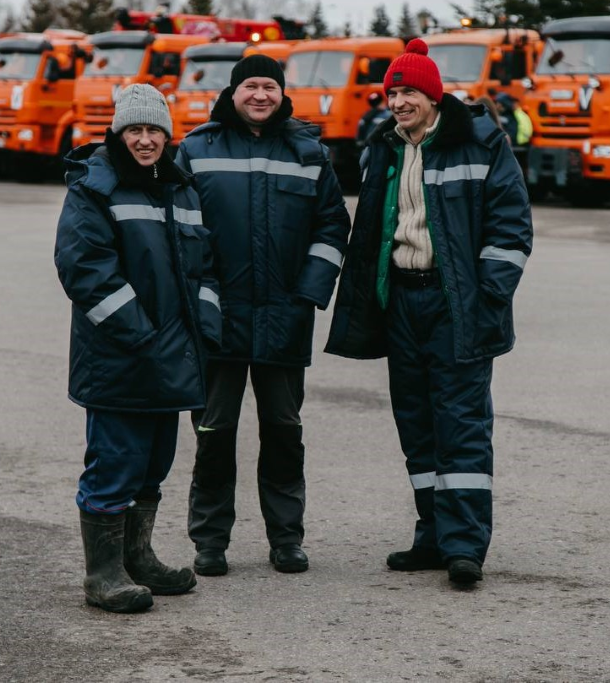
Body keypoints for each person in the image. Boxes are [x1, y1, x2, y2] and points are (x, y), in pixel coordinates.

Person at [325, 39, 533, 587]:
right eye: (392, 92)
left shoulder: (481, 143)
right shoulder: (385, 148)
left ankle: (465, 546)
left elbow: (511, 227)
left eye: (409, 91)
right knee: (416, 424)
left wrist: (488, 293)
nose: (398, 101)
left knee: (460, 423)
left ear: (434, 96)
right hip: (403, 301)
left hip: (455, 304)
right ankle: (433, 537)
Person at [175, 55, 350, 577]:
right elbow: (181, 231)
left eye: (269, 86)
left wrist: (307, 296)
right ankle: (209, 541)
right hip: (216, 322)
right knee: (213, 432)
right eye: (250, 85)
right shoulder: (195, 150)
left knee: (283, 432)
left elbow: (332, 228)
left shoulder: (309, 152)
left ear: (281, 94)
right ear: (233, 93)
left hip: (284, 320)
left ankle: (286, 539)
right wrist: (200, 297)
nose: (260, 95)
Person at [54, 84, 222, 613]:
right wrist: (143, 337)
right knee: (116, 463)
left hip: (171, 358)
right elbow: (86, 271)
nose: (145, 140)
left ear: (167, 136)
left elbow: (206, 267)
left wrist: (207, 329)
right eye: (135, 130)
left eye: (154, 130)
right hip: (121, 359)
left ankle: (137, 557)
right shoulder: (94, 187)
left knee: (154, 464)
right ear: (118, 133)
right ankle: (102, 575)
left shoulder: (181, 188)